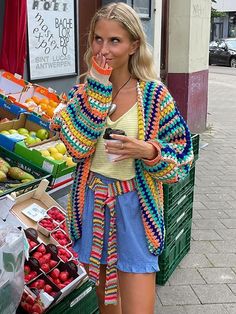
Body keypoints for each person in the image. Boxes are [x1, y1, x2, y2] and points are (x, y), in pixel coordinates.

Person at [50, 2, 193, 314]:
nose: (104, 49)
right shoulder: (82, 93)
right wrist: (97, 86)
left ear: (133, 46)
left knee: (139, 309)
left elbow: (183, 158)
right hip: (93, 205)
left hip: (136, 209)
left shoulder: (155, 96)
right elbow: (79, 148)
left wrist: (148, 151)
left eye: (115, 40)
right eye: (98, 39)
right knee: (106, 306)